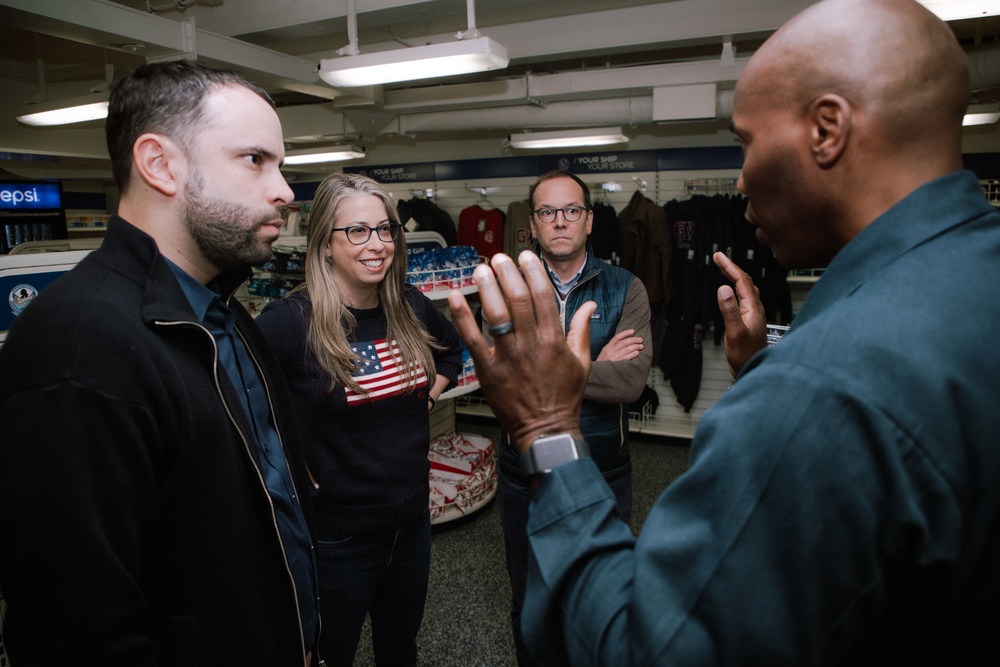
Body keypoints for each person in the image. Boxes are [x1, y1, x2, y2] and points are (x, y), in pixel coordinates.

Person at [448, 0, 1000, 664]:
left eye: (746, 141)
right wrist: (763, 371)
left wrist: (544, 427)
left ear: (828, 130)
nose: (739, 180)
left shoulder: (823, 379)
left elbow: (652, 649)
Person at [0, 60, 320, 665]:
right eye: (256, 160)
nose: (283, 190)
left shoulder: (224, 314)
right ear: (160, 165)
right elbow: (73, 632)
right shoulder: (79, 347)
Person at [254, 173, 462, 667]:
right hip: (335, 539)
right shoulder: (289, 323)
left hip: (412, 523)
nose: (377, 244)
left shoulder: (410, 306)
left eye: (385, 229)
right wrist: (283, 466)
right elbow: (240, 407)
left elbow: (452, 353)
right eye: (357, 231)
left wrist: (427, 397)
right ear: (325, 243)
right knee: (330, 656)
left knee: (400, 650)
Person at [491, 169, 652, 666]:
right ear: (533, 225)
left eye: (571, 211)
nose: (559, 221)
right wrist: (590, 364)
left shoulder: (627, 288)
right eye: (547, 212)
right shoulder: (505, 288)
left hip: (603, 468)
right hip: (525, 472)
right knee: (529, 594)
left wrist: (548, 365)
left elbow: (630, 383)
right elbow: (504, 379)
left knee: (601, 596)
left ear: (588, 221)